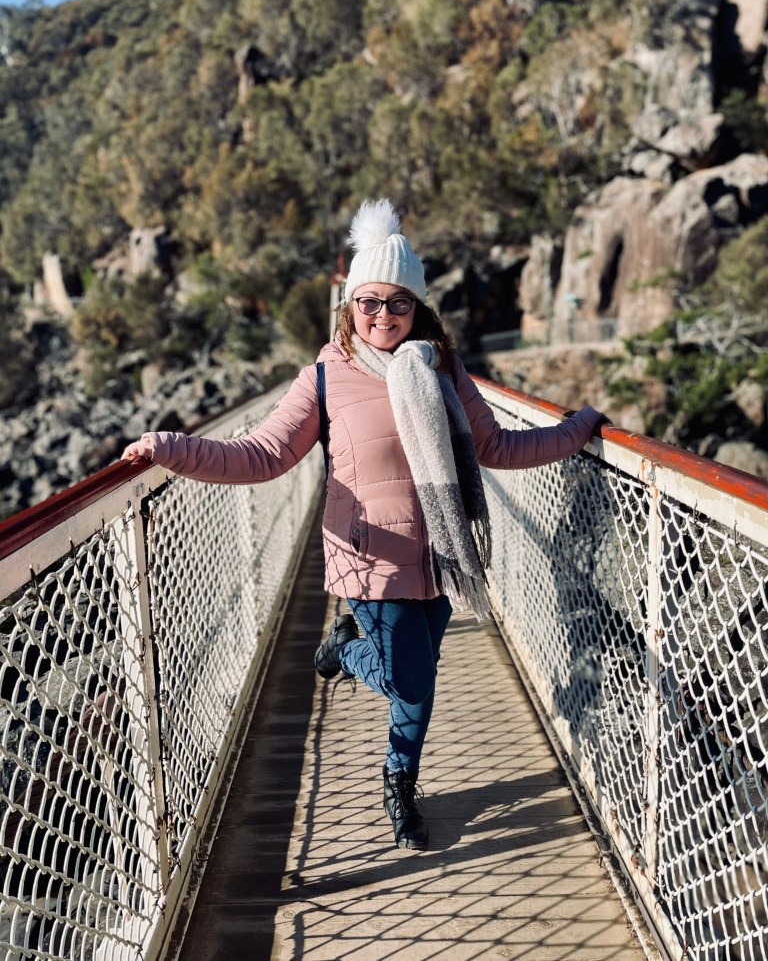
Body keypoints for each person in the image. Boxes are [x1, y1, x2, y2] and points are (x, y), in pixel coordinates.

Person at [122, 199, 605, 852]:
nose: (383, 315)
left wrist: (578, 428)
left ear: (418, 307)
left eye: (398, 303)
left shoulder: (440, 367)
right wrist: (170, 448)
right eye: (369, 301)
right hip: (368, 560)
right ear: (351, 303)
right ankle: (373, 724)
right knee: (409, 678)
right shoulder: (323, 377)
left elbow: (496, 447)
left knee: (419, 678)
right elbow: (261, 456)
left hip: (438, 554)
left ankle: (385, 733)